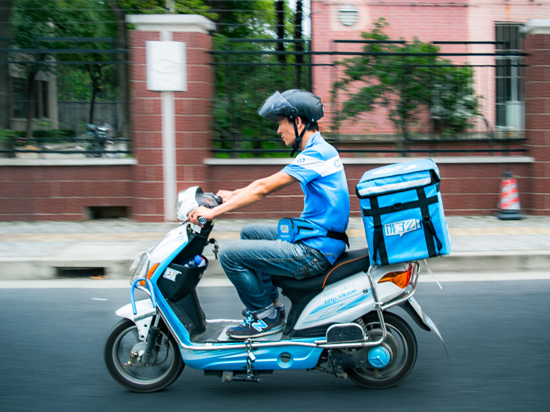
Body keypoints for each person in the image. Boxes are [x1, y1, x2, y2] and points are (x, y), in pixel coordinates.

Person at [188, 89, 350, 339]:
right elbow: (263, 184)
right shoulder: (319, 150)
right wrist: (233, 194)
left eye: (280, 123)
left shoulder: (319, 154)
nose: (278, 130)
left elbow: (264, 188)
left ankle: (264, 317)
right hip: (318, 236)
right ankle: (273, 307)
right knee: (249, 232)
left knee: (230, 255)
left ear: (297, 122)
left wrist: (213, 212)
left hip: (314, 251)